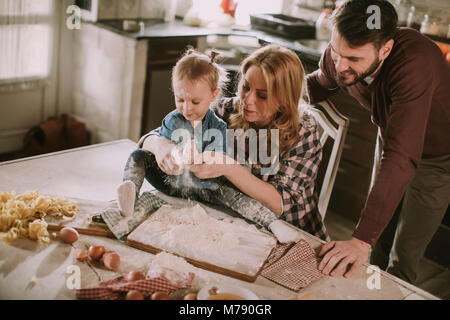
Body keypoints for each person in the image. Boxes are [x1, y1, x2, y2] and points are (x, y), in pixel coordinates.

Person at [307, 0, 450, 283]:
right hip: (391, 138)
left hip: (439, 156)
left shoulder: (415, 63)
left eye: (353, 60)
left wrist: (359, 240)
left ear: (385, 49)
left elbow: (401, 156)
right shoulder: (342, 55)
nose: (341, 66)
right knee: (378, 240)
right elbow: (319, 82)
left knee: (404, 252)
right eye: (336, 54)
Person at [137, 44, 330, 243]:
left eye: (262, 95)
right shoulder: (227, 109)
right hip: (233, 221)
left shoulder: (304, 130)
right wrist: (161, 145)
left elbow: (280, 204)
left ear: (284, 99)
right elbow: (154, 136)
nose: (248, 100)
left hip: (290, 233)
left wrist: (229, 167)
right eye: (246, 87)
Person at [117, 49, 228, 217]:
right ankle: (129, 193)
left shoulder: (218, 126)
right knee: (138, 155)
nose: (186, 108)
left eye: (195, 102)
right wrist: (170, 157)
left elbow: (219, 159)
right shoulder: (172, 120)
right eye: (180, 100)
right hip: (170, 181)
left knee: (230, 191)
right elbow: (162, 148)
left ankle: (269, 221)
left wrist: (203, 160)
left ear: (214, 95)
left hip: (202, 188)